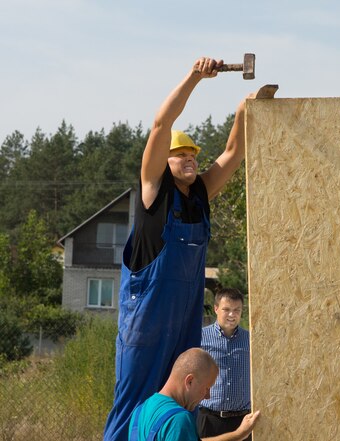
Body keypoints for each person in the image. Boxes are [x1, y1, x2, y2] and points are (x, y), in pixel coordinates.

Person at [104, 56, 248, 441]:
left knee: (184, 405)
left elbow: (234, 153)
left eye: (193, 156)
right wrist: (195, 77)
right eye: (180, 154)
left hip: (183, 317)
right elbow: (160, 125)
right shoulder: (154, 190)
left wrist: (245, 110)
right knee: (135, 403)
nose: (189, 159)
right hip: (146, 319)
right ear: (163, 161)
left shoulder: (200, 192)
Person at [129, 347, 260, 441]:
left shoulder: (141, 411)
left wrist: (238, 434)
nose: (207, 396)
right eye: (207, 388)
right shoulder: (179, 420)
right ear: (190, 381)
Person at [197, 288, 251, 439]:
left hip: (242, 421)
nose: (232, 315)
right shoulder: (200, 338)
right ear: (216, 309)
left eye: (237, 310)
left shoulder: (250, 340)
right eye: (226, 309)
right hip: (209, 420)